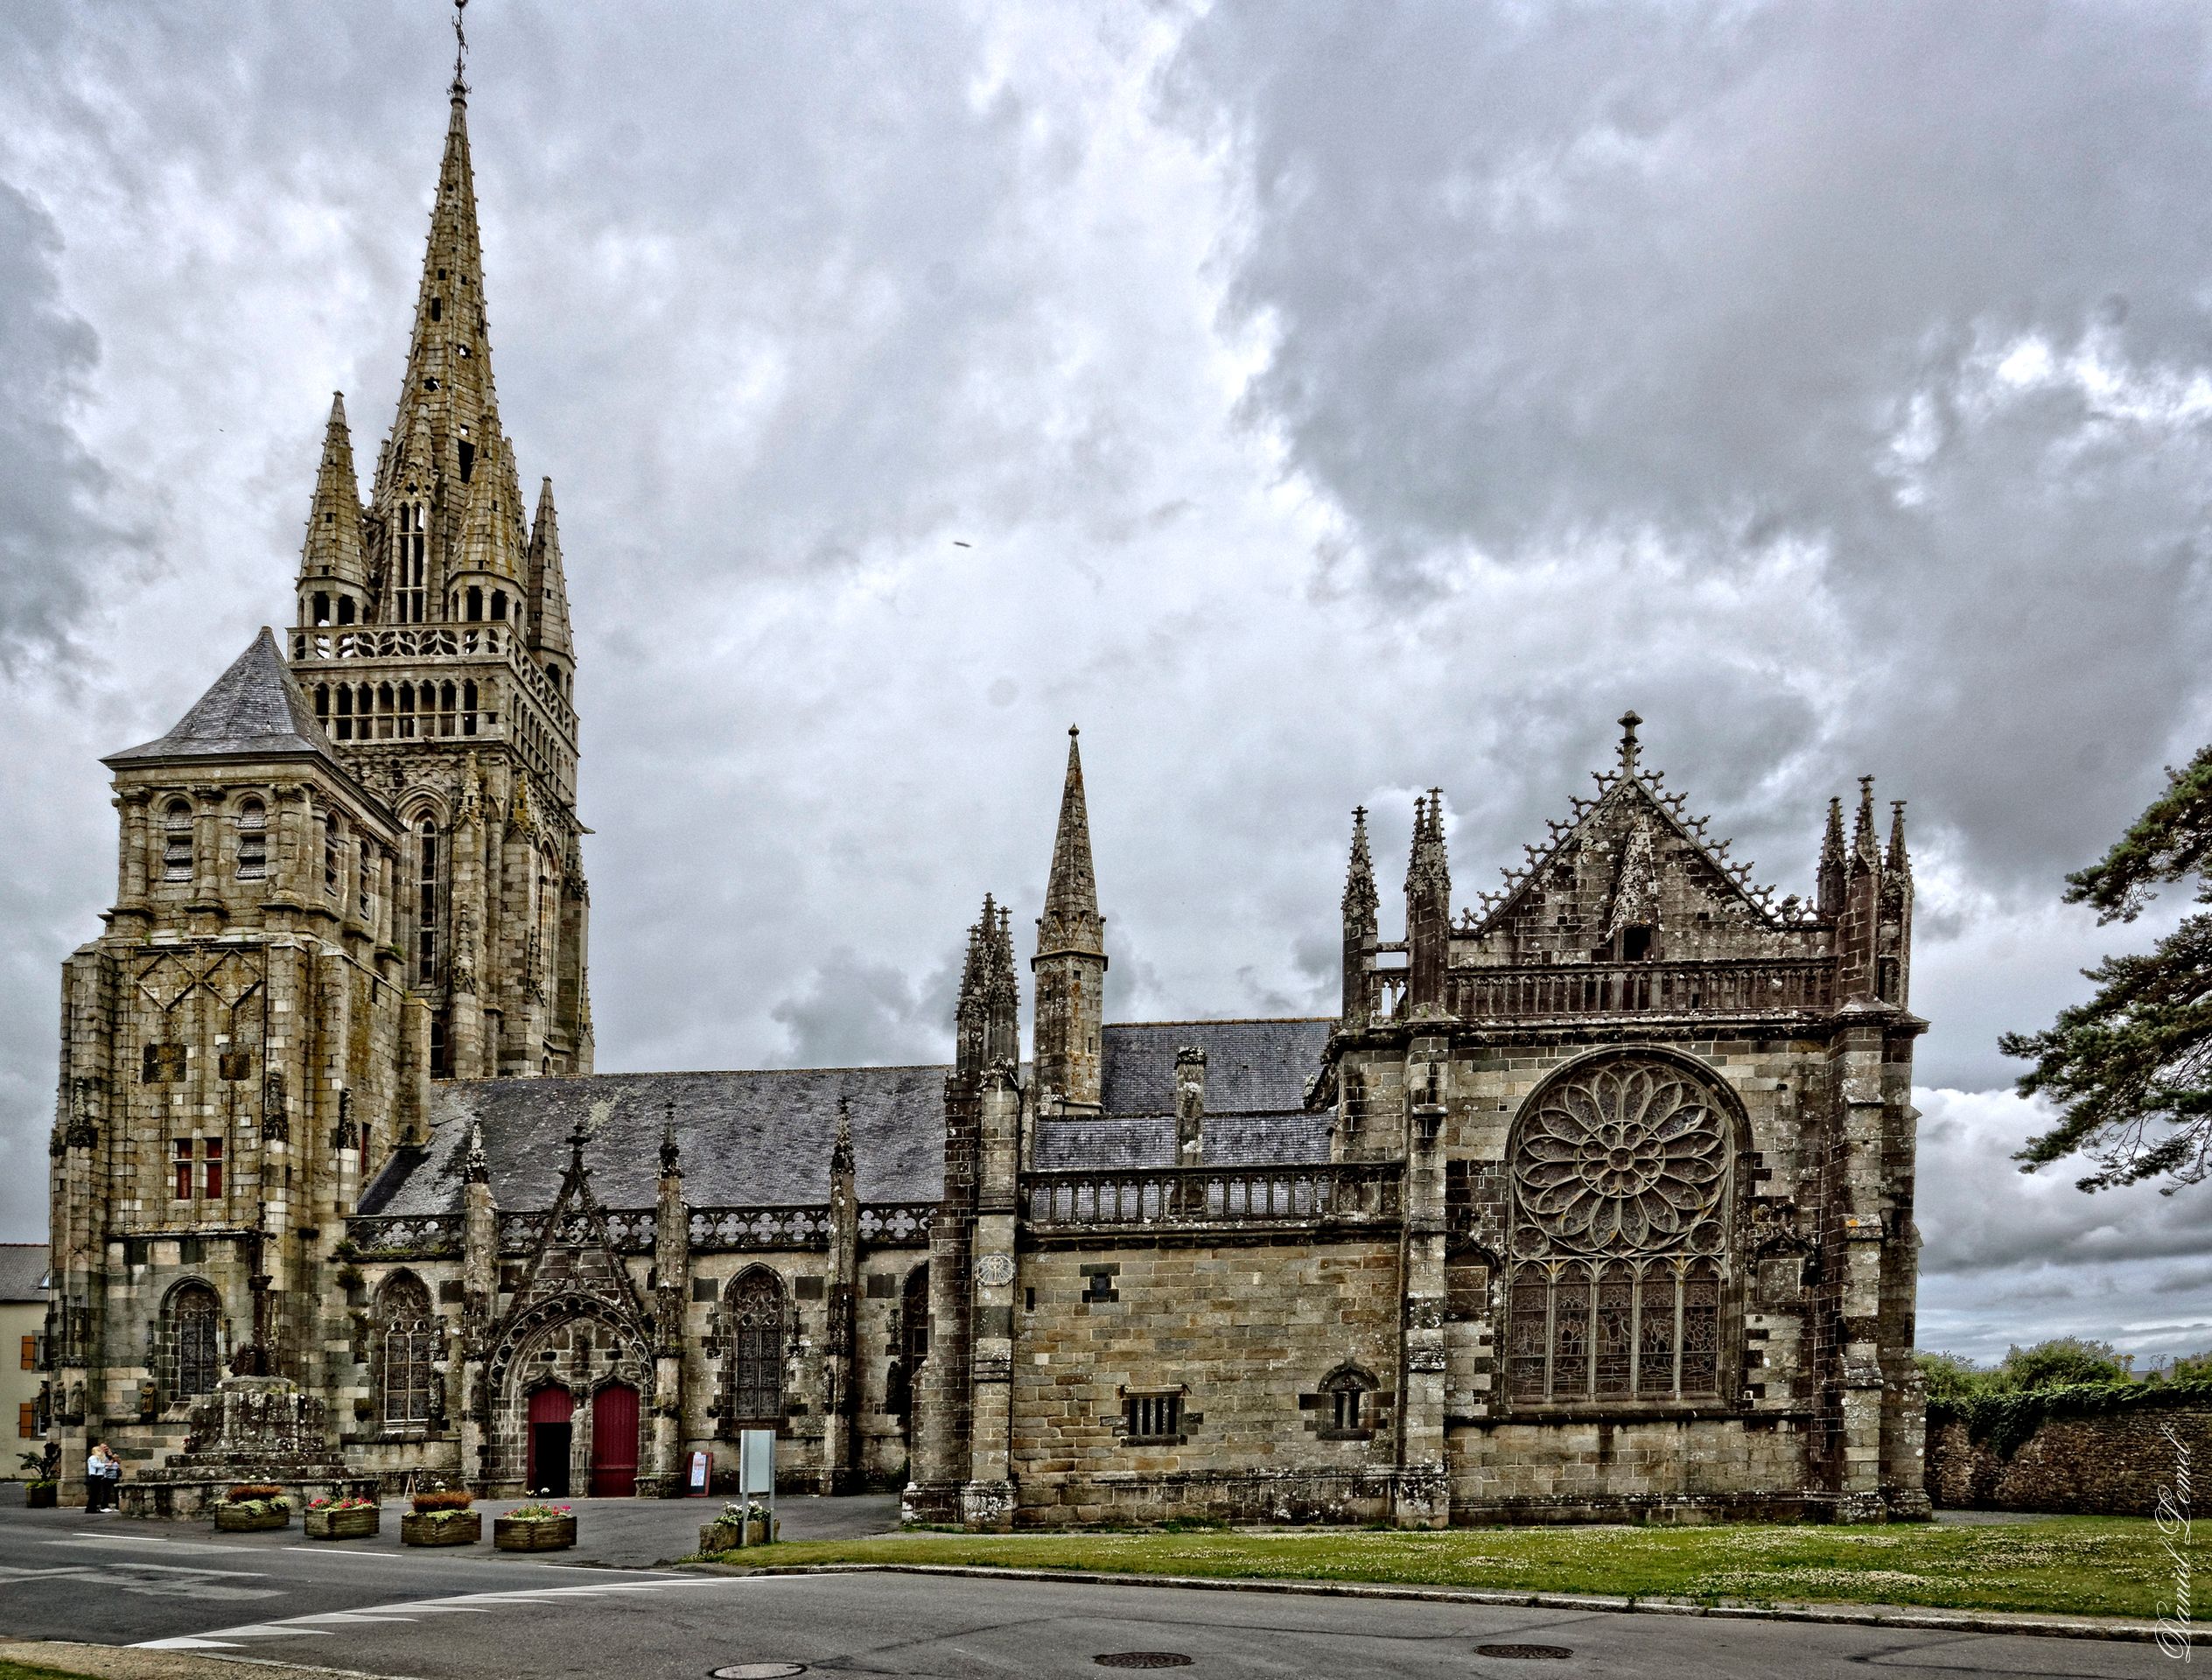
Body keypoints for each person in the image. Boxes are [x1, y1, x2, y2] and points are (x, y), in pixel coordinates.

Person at [85, 1442, 119, 1513]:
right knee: (94, 1493)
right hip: (94, 1476)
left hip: (99, 1476)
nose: (101, 1452)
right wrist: (106, 1464)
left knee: (96, 1493)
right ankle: (91, 1508)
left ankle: (92, 1508)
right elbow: (96, 1465)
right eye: (99, 1450)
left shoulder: (98, 1458)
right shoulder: (93, 1457)